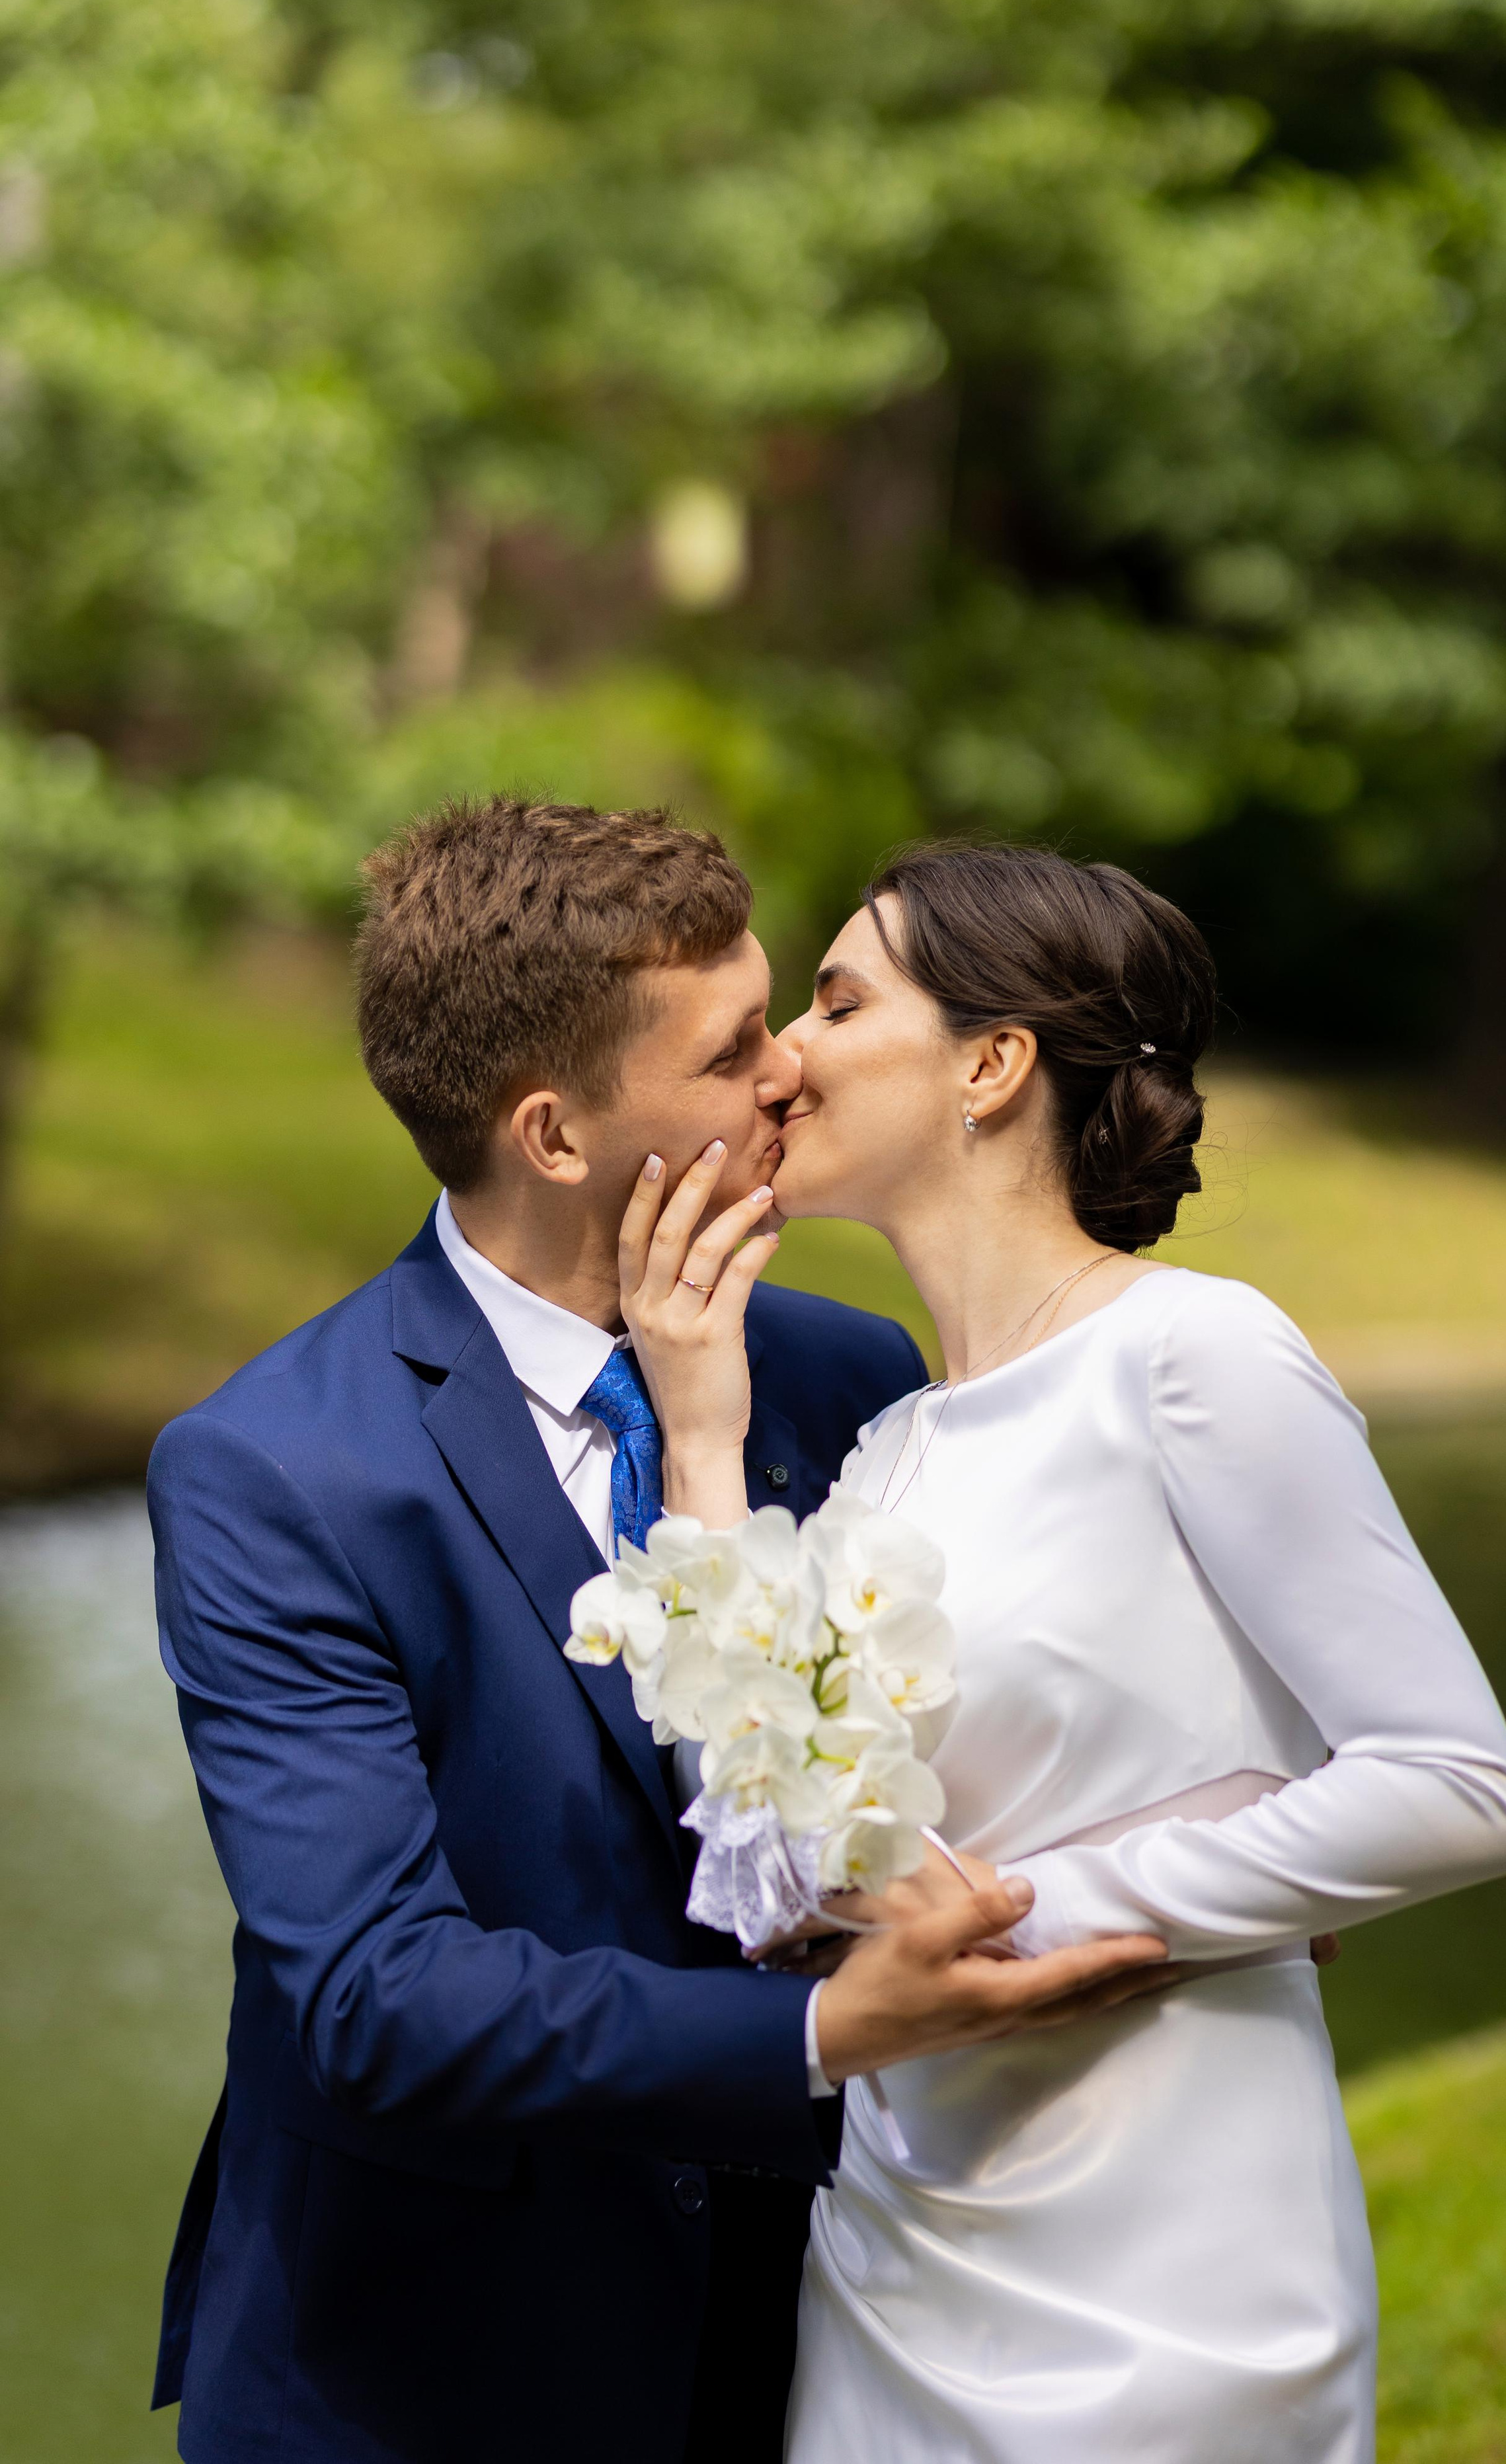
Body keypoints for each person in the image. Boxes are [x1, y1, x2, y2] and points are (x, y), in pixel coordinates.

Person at [146, 802, 1174, 2464]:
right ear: (554, 1136)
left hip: (804, 2343)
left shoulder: (849, 1380)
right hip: (424, 2374)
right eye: (729, 1051)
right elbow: (369, 1990)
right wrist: (822, 2034)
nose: (788, 1073)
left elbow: (964, 1750)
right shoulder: (277, 1471)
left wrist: (1197, 1859)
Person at [623, 839, 1506, 2464]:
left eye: (834, 1002)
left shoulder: (1193, 1356)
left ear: (990, 1063)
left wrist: (1050, 1917)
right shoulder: (885, 1449)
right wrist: (701, 1438)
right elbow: (765, 1865)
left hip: (1163, 2254)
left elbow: (1454, 1785)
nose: (781, 1060)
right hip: (896, 2249)